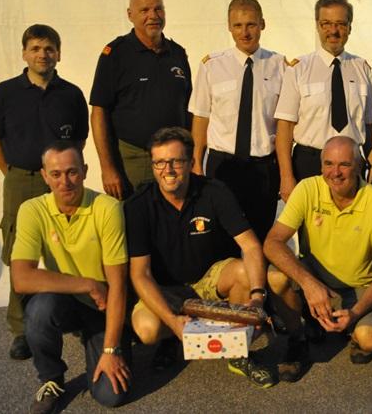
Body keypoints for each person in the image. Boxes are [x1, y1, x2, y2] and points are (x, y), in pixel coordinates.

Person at [124, 127, 302, 388]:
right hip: (165, 289)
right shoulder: (138, 205)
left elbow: (251, 246)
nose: (168, 170)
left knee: (244, 272)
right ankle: (175, 336)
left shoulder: (214, 191)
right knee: (146, 330)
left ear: (191, 162)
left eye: (176, 161)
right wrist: (173, 322)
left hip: (207, 281)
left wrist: (257, 297)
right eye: (159, 162)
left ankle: (238, 354)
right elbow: (140, 274)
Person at [0, 24, 88, 361]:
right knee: (19, 250)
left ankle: (76, 314)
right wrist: (14, 174)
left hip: (62, 182)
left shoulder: (71, 94)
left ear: (58, 53)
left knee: (72, 244)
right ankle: (21, 329)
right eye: (35, 48)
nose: (42, 54)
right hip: (22, 179)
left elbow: (79, 140)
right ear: (24, 53)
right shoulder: (5, 93)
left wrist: (62, 176)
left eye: (49, 48)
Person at [10, 141, 131, 413]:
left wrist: (111, 351)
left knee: (111, 395)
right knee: (39, 309)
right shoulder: (32, 210)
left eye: (72, 172)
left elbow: (118, 284)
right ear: (44, 176)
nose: (64, 182)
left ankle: (100, 342)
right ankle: (51, 379)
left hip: (103, 306)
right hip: (70, 299)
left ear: (85, 171)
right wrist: (88, 284)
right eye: (56, 174)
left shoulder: (107, 208)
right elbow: (21, 279)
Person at [264, 136, 372, 377]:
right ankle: (298, 339)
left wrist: (355, 313)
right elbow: (272, 243)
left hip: (359, 287)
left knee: (368, 339)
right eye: (328, 164)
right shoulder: (307, 188)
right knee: (275, 277)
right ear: (321, 165)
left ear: (358, 166)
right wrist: (309, 283)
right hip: (316, 280)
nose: (335, 173)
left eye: (344, 164)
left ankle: (340, 325)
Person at [192, 0, 284, 241]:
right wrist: (196, 163)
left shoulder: (280, 66)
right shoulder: (212, 65)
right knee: (221, 236)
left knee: (261, 235)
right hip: (223, 166)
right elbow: (201, 118)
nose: (245, 32)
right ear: (229, 27)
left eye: (251, 24)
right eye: (238, 25)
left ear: (262, 24)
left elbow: (284, 124)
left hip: (263, 167)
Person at [274, 0, 372, 203]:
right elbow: (285, 128)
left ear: (350, 27)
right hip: (309, 164)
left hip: (351, 166)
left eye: (340, 24)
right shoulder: (299, 69)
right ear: (317, 26)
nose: (333, 31)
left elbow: (370, 126)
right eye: (326, 24)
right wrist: (286, 177)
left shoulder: (362, 69)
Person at [89, 0, 192, 200]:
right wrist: (108, 169)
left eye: (158, 9)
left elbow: (189, 108)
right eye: (144, 10)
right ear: (130, 15)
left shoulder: (177, 53)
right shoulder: (115, 54)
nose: (153, 16)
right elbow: (99, 112)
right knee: (136, 218)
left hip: (175, 161)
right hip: (135, 161)